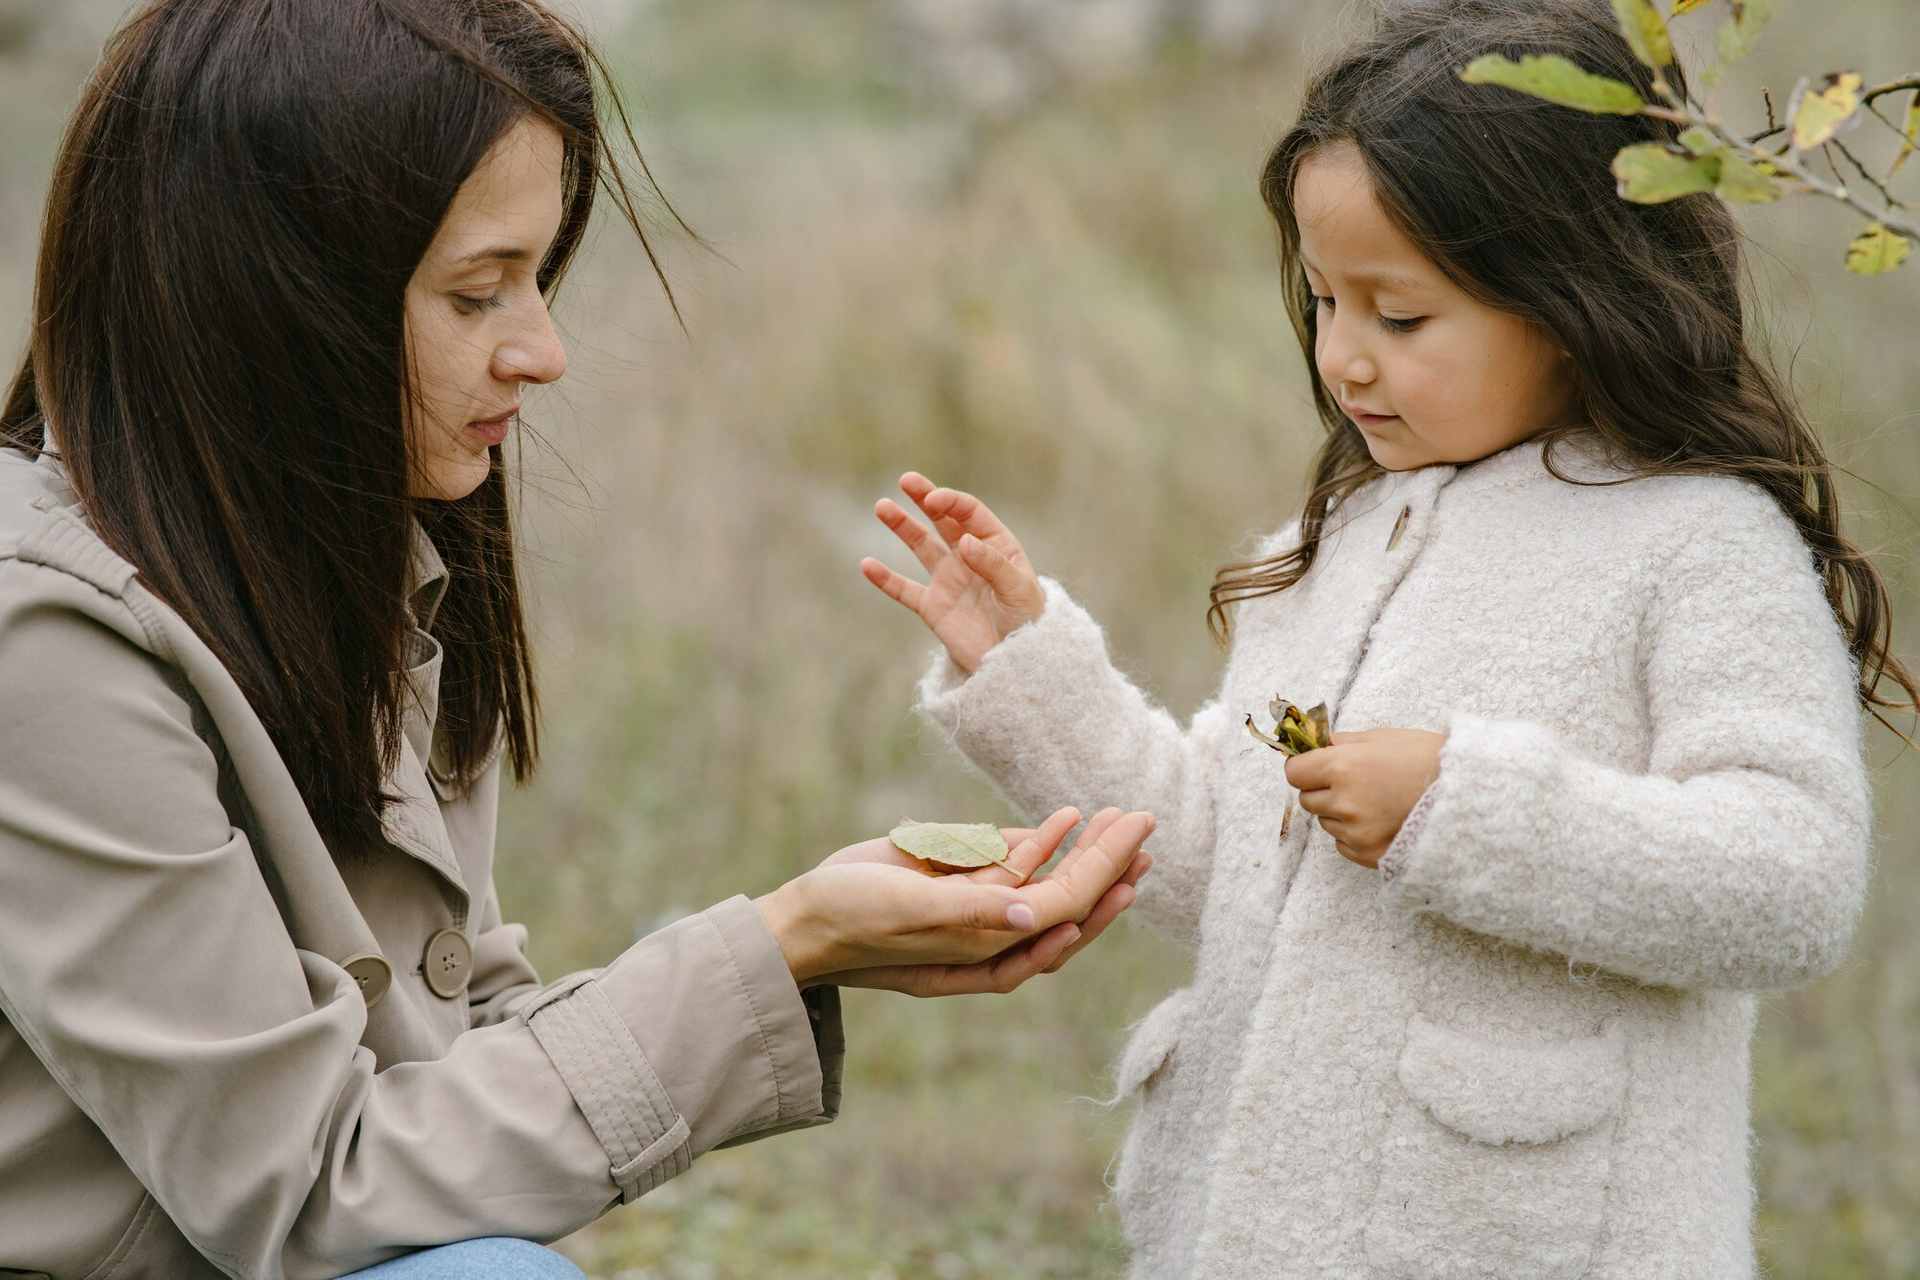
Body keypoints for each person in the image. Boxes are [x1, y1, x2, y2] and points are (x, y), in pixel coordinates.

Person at [0, 2, 1157, 1277]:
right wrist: (784, 939)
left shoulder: (350, 554)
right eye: (475, 291)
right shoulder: (44, 642)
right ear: (268, 296)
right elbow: (309, 1184)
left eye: (538, 279)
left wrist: (806, 933)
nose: (542, 350)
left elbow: (455, 1043)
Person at [861, 0, 1916, 1274]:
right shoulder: (1335, 541)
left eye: (1400, 318)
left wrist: (1460, 806)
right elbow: (1221, 864)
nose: (1344, 360)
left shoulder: (1696, 545)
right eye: (1322, 300)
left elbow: (1791, 881)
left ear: (1572, 297)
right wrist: (1027, 668)